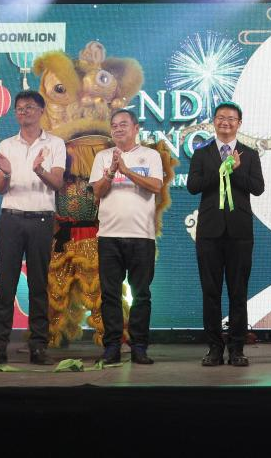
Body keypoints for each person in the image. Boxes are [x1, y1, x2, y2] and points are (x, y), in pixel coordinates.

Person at [0, 90, 67, 366]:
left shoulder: (55, 143)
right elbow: (0, 188)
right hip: (11, 219)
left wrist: (39, 169)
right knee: (5, 285)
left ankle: (38, 347)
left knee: (38, 285)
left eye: (29, 107)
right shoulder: (6, 144)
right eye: (19, 108)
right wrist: (6, 173)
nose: (23, 111)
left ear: (41, 110)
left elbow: (57, 184)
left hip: (42, 219)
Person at [186, 101, 265, 366]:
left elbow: (258, 188)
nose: (226, 122)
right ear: (214, 122)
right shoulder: (202, 153)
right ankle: (214, 349)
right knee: (210, 292)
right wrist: (221, 168)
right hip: (209, 233)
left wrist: (236, 169)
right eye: (221, 118)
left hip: (240, 233)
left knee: (238, 293)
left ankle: (237, 349)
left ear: (239, 123)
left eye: (231, 119)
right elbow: (193, 186)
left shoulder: (249, 154)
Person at [90, 108, 164, 364]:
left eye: (123, 124)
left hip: (142, 236)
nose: (118, 129)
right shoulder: (102, 157)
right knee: (110, 294)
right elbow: (97, 193)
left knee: (141, 294)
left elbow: (156, 186)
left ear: (136, 128)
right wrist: (112, 171)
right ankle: (112, 346)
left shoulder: (151, 156)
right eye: (114, 125)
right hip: (109, 235)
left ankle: (139, 347)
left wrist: (127, 170)